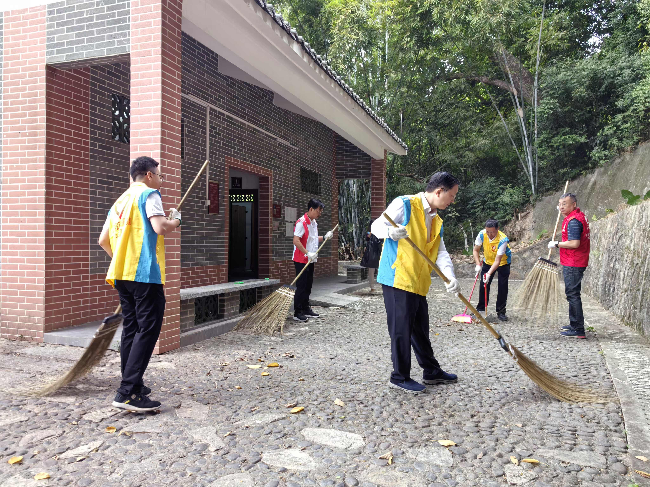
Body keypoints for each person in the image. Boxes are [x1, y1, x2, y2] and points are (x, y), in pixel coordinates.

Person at [98, 156, 182, 412]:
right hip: (144, 274)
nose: (161, 179)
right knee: (148, 329)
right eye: (160, 175)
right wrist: (176, 220)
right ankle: (127, 392)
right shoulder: (149, 194)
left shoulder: (120, 201)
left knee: (132, 329)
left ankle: (133, 383)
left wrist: (122, 260)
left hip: (121, 274)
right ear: (149, 175)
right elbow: (160, 227)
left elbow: (103, 240)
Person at [371, 172, 461, 394]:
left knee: (420, 329)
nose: (452, 200)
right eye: (452, 195)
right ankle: (399, 377)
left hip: (418, 281)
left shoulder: (436, 220)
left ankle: (431, 371)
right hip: (398, 277)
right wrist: (390, 232)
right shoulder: (405, 204)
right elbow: (376, 226)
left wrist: (450, 276)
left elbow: (440, 252)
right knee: (401, 329)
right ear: (439, 191)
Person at [548, 192, 590, 339]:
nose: (561, 207)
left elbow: (574, 243)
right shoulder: (577, 216)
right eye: (559, 204)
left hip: (574, 262)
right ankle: (574, 324)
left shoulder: (573, 221)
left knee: (573, 294)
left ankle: (578, 329)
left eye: (564, 204)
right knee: (572, 293)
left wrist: (557, 244)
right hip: (574, 260)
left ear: (574, 204)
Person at [292, 198, 334, 322]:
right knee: (301, 286)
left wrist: (325, 237)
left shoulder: (314, 223)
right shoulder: (301, 222)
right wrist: (307, 253)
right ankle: (297, 312)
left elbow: (314, 239)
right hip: (301, 259)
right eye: (318, 210)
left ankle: (306, 308)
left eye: (321, 211)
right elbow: (296, 240)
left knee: (308, 285)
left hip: (310, 259)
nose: (320, 213)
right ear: (311, 209)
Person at [473, 218, 512, 321]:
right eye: (488, 232)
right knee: (483, 285)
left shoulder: (503, 239)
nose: (489, 234)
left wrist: (489, 274)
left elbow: (497, 261)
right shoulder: (482, 234)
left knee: (502, 286)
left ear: (497, 229)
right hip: (487, 261)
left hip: (503, 262)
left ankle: (501, 312)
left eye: (492, 232)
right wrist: (478, 265)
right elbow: (476, 250)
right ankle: (481, 309)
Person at [360, 225, 382, 292]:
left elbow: (366, 241)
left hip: (373, 254)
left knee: (372, 271)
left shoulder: (371, 233)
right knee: (374, 270)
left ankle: (373, 287)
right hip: (375, 254)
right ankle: (374, 287)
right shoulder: (373, 233)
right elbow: (367, 240)